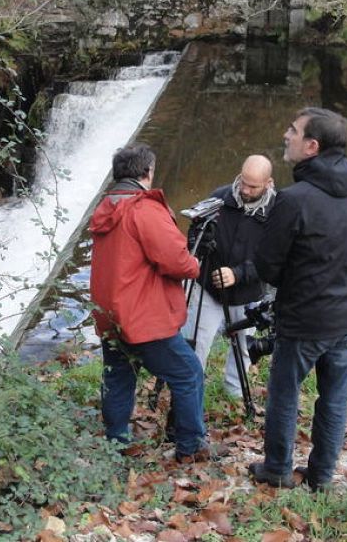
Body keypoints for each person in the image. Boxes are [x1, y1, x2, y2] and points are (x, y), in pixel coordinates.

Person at [248, 107, 347, 490]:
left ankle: (277, 469)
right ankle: (321, 477)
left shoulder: (293, 200)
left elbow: (268, 267)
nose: (285, 135)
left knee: (285, 395)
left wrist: (303, 281)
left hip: (304, 319)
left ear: (312, 146)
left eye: (293, 131)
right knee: (334, 400)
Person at [89, 145, 209, 461]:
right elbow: (176, 261)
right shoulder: (144, 209)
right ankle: (190, 447)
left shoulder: (106, 206)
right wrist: (195, 264)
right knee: (189, 374)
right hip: (143, 318)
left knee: (118, 375)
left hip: (110, 314)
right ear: (147, 173)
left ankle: (115, 442)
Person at [183, 155, 276, 399]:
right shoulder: (219, 197)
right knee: (195, 341)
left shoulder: (279, 211)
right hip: (208, 288)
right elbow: (194, 234)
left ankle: (234, 392)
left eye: (253, 186)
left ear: (268, 183)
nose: (244, 190)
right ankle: (191, 391)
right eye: (243, 181)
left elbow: (275, 259)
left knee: (243, 346)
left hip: (248, 293)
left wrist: (238, 274)